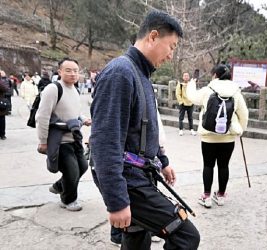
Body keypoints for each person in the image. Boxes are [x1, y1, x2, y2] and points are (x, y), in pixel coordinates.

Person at [90, 10, 200, 249]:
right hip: (129, 179)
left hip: (141, 174)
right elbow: (105, 142)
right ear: (152, 37)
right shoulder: (120, 72)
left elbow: (147, 130)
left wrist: (163, 159)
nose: (171, 56)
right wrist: (117, 202)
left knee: (138, 237)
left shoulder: (141, 76)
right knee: (186, 236)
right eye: (171, 47)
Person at [186, 64, 249, 208]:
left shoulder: (208, 90)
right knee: (223, 165)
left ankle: (206, 196)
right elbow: (244, 114)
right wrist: (240, 129)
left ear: (215, 75)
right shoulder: (236, 92)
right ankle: (221, 195)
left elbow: (192, 97)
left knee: (208, 165)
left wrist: (192, 83)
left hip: (208, 136)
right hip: (228, 136)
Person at [36, 58, 91, 211]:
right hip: (60, 140)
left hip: (74, 137)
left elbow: (75, 111)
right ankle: (68, 200)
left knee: (83, 166)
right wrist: (43, 141)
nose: (73, 74)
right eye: (68, 70)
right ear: (59, 72)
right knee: (72, 171)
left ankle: (59, 185)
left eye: (75, 71)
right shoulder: (53, 89)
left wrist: (84, 119)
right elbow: (42, 116)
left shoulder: (75, 89)